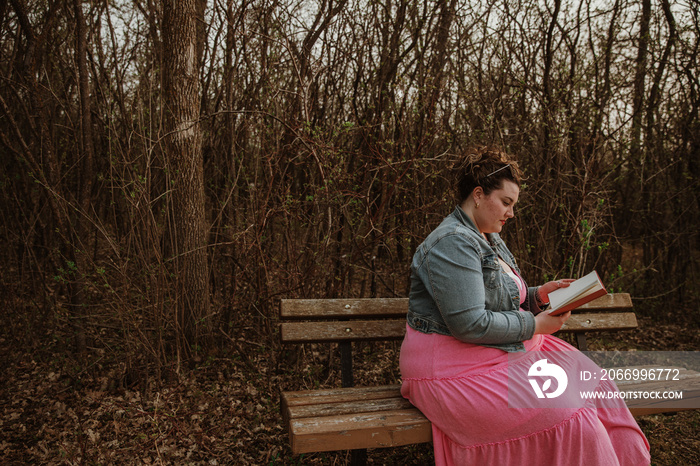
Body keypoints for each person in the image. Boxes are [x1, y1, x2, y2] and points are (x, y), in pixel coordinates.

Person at [399, 146, 650, 465]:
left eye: (513, 205)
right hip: (452, 370)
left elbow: (500, 297)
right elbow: (471, 324)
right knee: (570, 418)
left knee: (595, 385)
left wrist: (540, 296)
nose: (511, 213)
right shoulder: (451, 242)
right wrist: (535, 325)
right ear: (478, 195)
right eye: (506, 203)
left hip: (498, 352)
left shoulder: (488, 237)